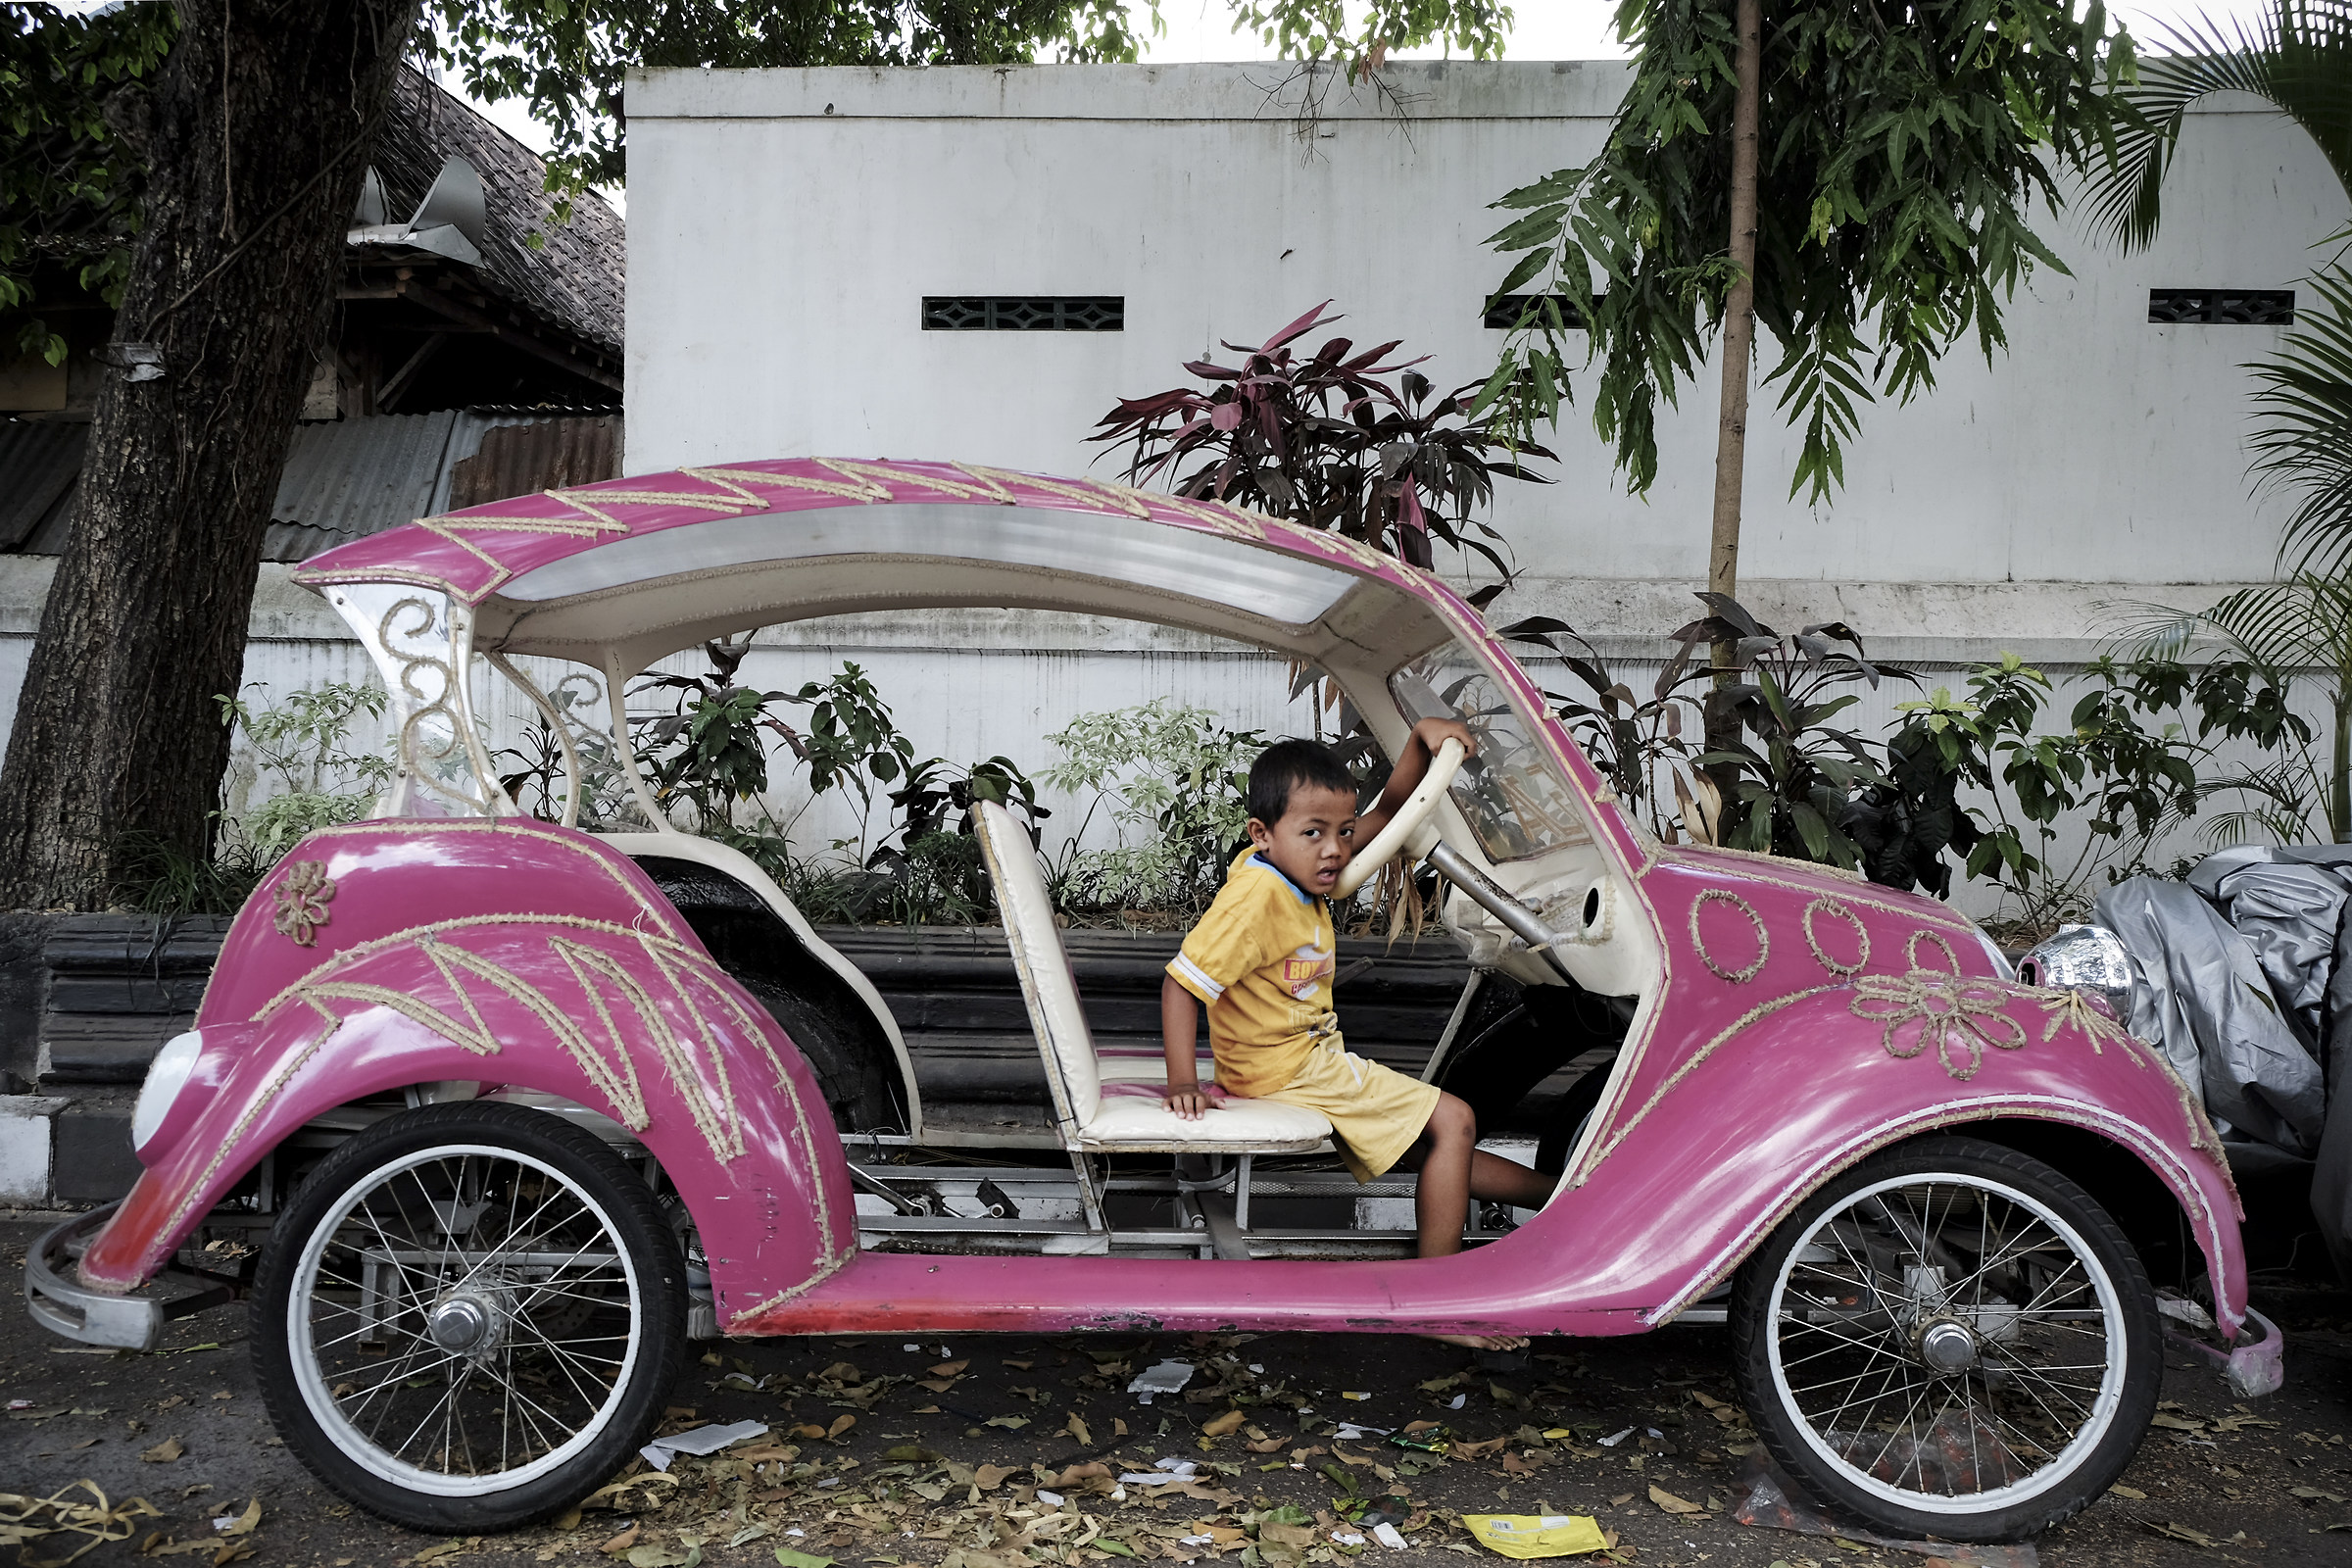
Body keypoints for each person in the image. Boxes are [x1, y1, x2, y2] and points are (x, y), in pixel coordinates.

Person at [1159, 721, 1556, 1348]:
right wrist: (1183, 1081)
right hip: (1292, 1070)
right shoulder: (1256, 899)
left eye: (1342, 833)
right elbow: (1183, 984)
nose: (1335, 851)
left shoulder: (1291, 869)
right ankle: (1437, 1308)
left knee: (1434, 1149)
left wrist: (1419, 740)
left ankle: (1567, 1204)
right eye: (1313, 833)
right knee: (1452, 1121)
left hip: (1301, 1060)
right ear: (1262, 834)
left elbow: (1392, 812)